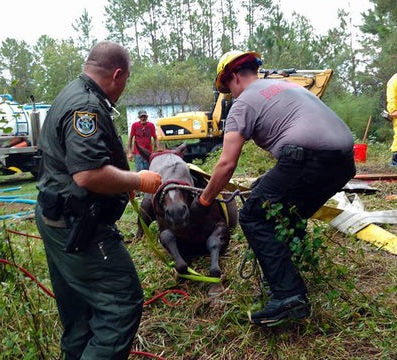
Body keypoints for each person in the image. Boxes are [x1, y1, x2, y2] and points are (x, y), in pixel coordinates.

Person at [191, 50, 356, 325]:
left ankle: (289, 296)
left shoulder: (243, 104)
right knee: (284, 208)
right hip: (343, 163)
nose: (230, 95)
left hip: (308, 157)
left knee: (254, 215)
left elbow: (226, 164)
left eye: (228, 89)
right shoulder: (286, 87)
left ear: (233, 77)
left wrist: (205, 201)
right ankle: (287, 274)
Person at [34, 41, 162, 359]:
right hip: (78, 223)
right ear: (117, 74)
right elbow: (87, 175)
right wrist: (138, 179)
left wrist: (117, 184)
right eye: (127, 80)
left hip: (57, 215)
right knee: (121, 302)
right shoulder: (86, 107)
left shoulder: (70, 93)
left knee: (79, 315)